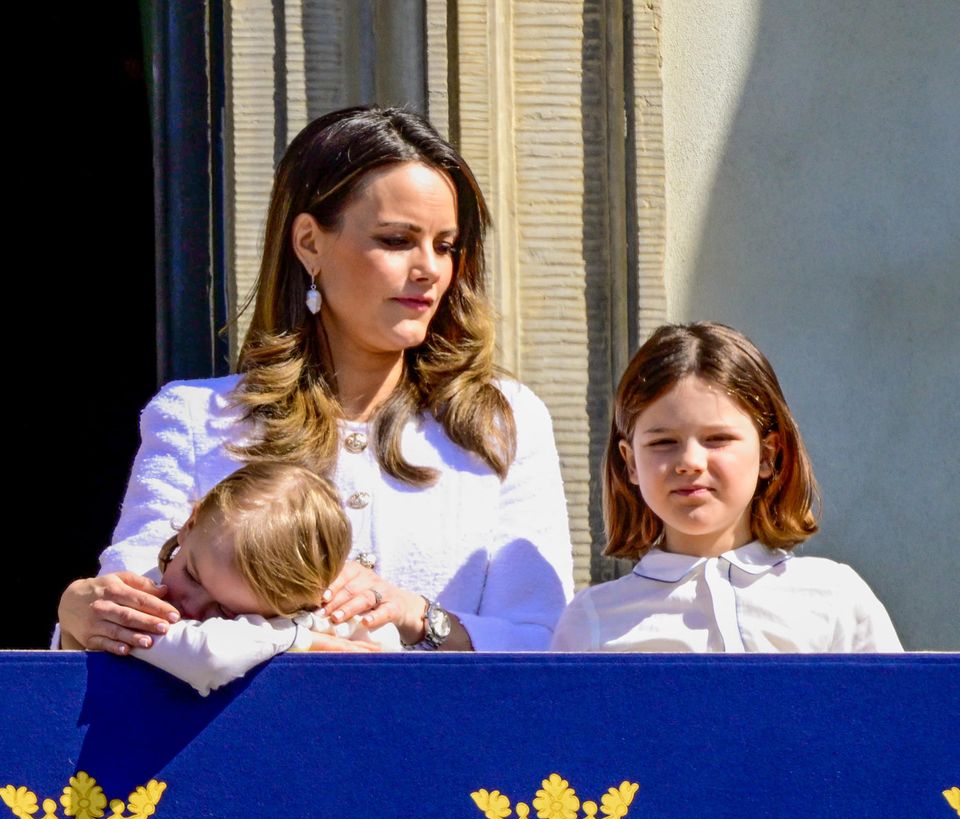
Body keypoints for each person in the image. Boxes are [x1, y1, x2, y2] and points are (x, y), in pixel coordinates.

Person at [57, 105, 573, 655]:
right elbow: (128, 622)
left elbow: (546, 644)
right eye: (397, 240)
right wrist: (78, 618)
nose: (429, 268)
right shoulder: (194, 419)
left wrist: (418, 616)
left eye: (444, 245)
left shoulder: (502, 421)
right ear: (309, 242)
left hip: (451, 738)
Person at [551, 323, 902, 653]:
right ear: (630, 463)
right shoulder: (593, 621)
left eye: (717, 439)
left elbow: (896, 714)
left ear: (768, 454)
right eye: (663, 442)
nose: (690, 461)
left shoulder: (835, 597)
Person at [60, 463, 399, 695]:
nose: (189, 607)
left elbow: (385, 656)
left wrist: (298, 632)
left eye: (224, 610)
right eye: (192, 575)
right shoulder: (137, 602)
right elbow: (210, 657)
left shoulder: (332, 622)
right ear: (190, 524)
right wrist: (297, 639)